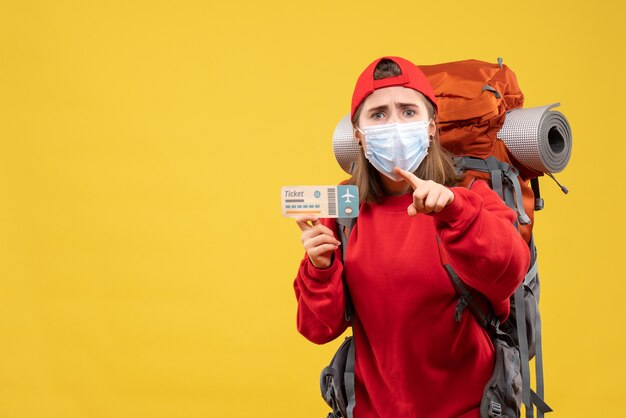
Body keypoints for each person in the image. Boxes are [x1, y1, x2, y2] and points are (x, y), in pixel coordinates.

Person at [292, 56, 530, 418]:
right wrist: (319, 268)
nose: (394, 125)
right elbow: (318, 329)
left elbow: (510, 270)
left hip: (470, 409)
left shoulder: (472, 196)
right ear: (358, 135)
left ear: (431, 127)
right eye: (378, 115)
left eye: (407, 111)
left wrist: (455, 211)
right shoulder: (344, 213)